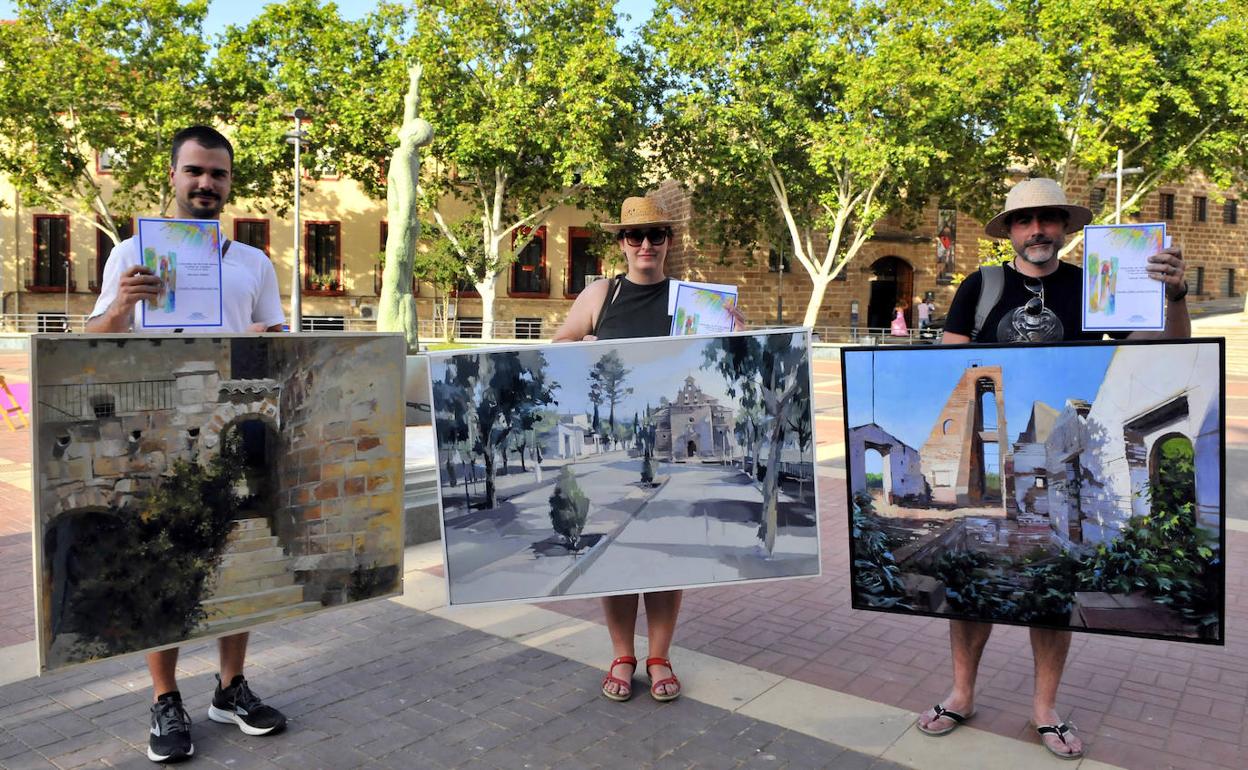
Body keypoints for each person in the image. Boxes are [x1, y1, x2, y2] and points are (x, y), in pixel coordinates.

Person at [917, 177, 1189, 759]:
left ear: (1064, 227)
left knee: (1051, 585)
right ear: (1010, 230)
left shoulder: (1095, 286)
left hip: (1063, 449)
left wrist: (1177, 297)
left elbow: (1162, 351)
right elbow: (947, 363)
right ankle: (961, 693)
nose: (1037, 230)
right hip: (1000, 456)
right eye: (1024, 220)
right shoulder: (981, 285)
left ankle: (1044, 708)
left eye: (1048, 219)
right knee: (969, 586)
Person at [87, 126, 287, 763]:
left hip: (231, 430)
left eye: (218, 175)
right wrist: (122, 305)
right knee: (164, 559)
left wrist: (264, 334)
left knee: (233, 555)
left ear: (230, 184)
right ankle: (164, 696)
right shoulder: (129, 255)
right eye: (195, 171)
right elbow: (91, 337)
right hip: (161, 432)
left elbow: (280, 343)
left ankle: (230, 688)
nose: (206, 184)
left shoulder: (254, 262)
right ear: (172, 176)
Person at [554, 195, 721, 704]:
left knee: (668, 557)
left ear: (670, 241)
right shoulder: (600, 295)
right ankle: (623, 654)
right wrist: (579, 347)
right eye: (634, 236)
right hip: (631, 446)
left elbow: (720, 357)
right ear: (621, 244)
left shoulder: (696, 302)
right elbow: (558, 346)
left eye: (656, 235)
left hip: (674, 452)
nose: (645, 244)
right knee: (615, 557)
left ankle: (660, 655)